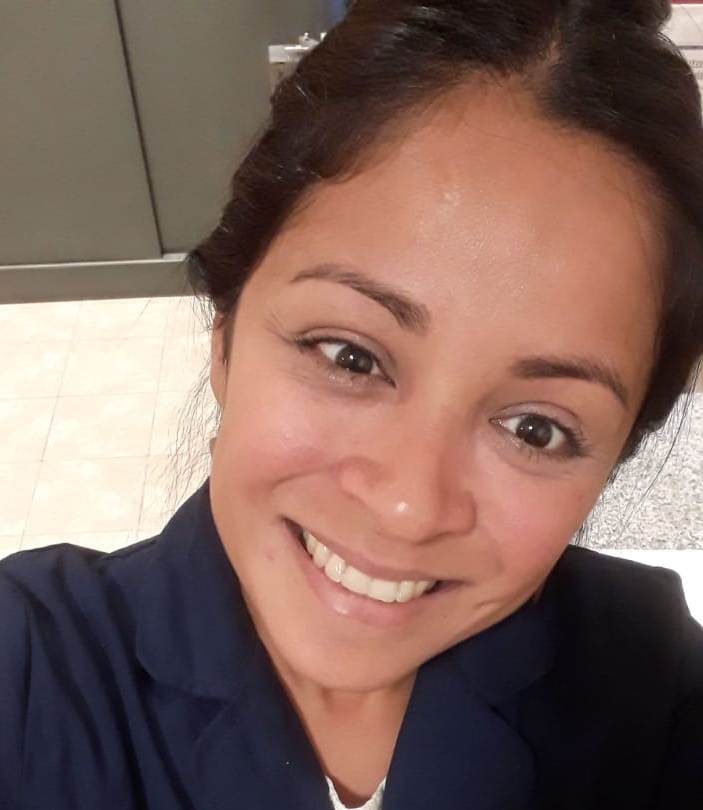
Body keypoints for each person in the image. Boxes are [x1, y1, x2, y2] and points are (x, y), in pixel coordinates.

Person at [1, 1, 703, 808]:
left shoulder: (649, 688)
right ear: (225, 330)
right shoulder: (27, 677)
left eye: (535, 429)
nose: (408, 508)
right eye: (350, 357)